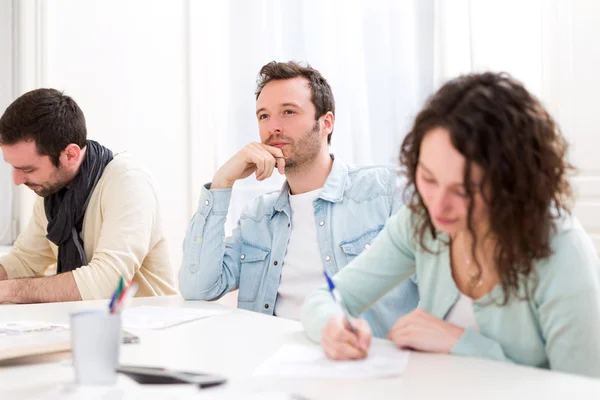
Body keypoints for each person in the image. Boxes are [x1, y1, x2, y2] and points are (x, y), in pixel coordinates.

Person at [301, 72, 600, 378]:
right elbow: (328, 296)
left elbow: (582, 388)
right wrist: (333, 326)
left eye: (464, 190)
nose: (438, 205)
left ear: (513, 186)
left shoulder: (562, 249)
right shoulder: (419, 220)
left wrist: (458, 341)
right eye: (428, 178)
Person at [179, 61, 418, 337]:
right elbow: (197, 288)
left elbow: (434, 288)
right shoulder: (258, 216)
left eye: (288, 112)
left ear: (326, 122)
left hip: (360, 362)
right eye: (264, 116)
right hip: (271, 364)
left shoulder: (384, 192)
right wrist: (222, 183)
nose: (273, 127)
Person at [0, 88, 176, 303]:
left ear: (70, 155)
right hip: (87, 325)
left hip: (147, 329)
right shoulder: (52, 192)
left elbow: (107, 283)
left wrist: (10, 291)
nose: (17, 180)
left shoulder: (128, 180)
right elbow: (24, 262)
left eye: (28, 170)